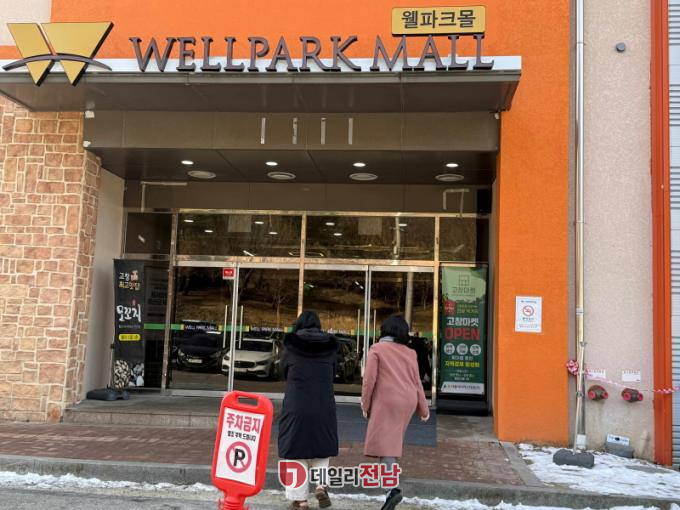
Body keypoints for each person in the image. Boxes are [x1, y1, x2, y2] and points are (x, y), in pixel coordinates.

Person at [361, 315, 430, 510]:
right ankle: (391, 489)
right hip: (407, 401)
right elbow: (416, 382)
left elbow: (369, 380)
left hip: (387, 401)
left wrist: (365, 405)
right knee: (391, 443)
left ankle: (392, 489)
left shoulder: (377, 349)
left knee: (386, 446)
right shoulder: (410, 353)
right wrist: (423, 408)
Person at [278, 311, 339, 509]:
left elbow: (283, 371)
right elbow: (334, 372)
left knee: (295, 450)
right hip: (323, 404)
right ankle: (321, 486)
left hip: (297, 404)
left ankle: (301, 500)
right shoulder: (330, 347)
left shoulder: (291, 346)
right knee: (322, 448)